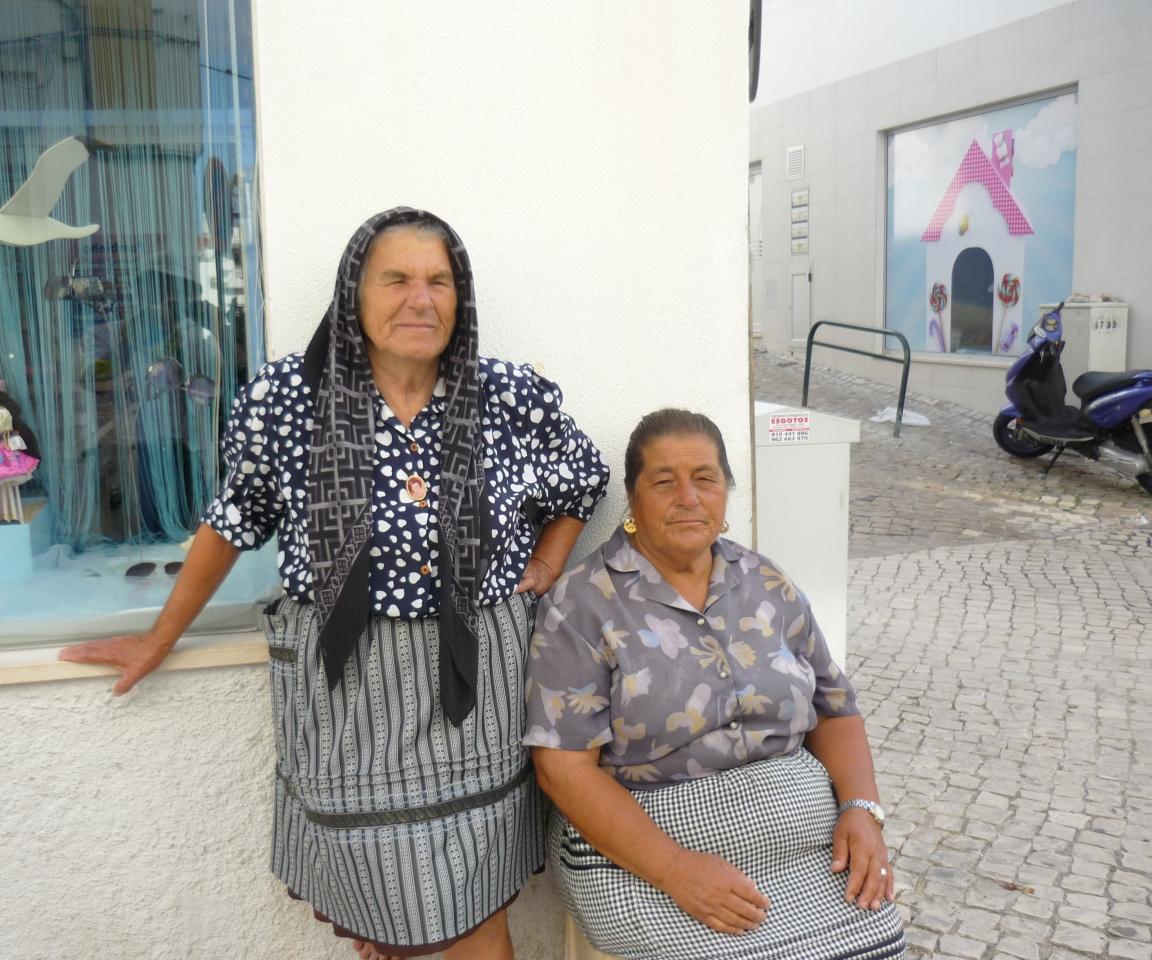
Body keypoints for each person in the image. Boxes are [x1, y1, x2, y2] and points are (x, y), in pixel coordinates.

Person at [60, 208, 609, 960]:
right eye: (397, 279)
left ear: (461, 297)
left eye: (439, 281)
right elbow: (234, 519)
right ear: (354, 293)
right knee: (381, 912)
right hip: (350, 692)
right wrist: (160, 637)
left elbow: (583, 480)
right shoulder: (289, 398)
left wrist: (544, 566)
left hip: (478, 690)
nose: (420, 299)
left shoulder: (507, 397)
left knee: (476, 908)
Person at [524, 409, 904, 960]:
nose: (688, 497)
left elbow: (835, 706)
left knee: (876, 944)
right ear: (632, 497)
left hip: (804, 844)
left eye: (705, 478)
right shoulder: (582, 604)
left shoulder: (764, 580)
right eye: (663, 481)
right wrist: (676, 869)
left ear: (726, 488)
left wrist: (863, 810)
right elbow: (562, 770)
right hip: (645, 854)